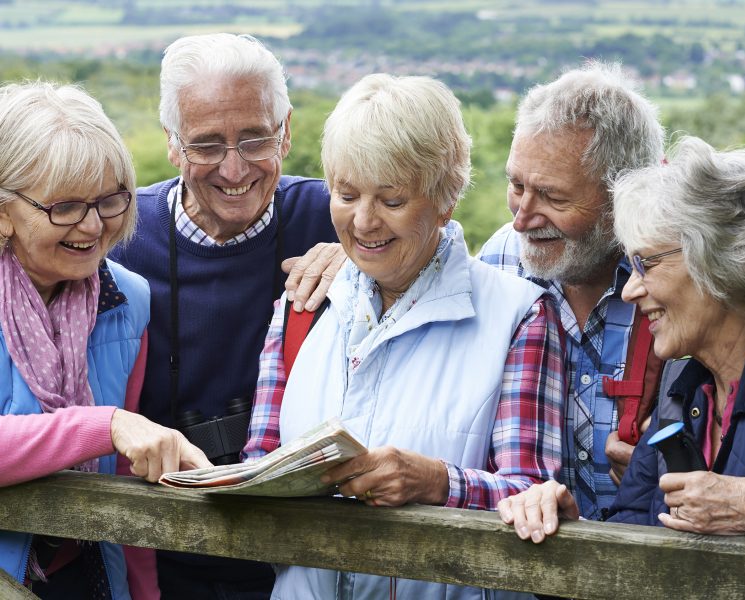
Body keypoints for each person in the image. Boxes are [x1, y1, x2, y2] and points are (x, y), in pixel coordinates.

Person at [243, 73, 566, 599]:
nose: (364, 221)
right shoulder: (301, 308)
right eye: (346, 195)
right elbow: (260, 463)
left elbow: (533, 498)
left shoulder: (519, 317)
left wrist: (438, 482)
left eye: (391, 200)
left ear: (445, 198)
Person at [108, 33, 339, 598]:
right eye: (207, 145)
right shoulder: (119, 235)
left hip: (303, 561)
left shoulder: (337, 217)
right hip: (155, 556)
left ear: (286, 131)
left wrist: (358, 257)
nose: (234, 169)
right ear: (171, 144)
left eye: (255, 138)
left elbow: (438, 245)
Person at [500, 136, 745, 544]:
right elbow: (634, 538)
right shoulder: (685, 393)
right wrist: (567, 529)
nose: (630, 290)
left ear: (722, 259)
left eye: (647, 264)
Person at [0, 82, 211, 599]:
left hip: (85, 572)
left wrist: (141, 594)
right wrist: (105, 424)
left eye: (110, 199)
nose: (93, 225)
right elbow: (112, 433)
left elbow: (124, 477)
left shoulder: (128, 299)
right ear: (4, 211)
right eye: (66, 206)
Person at [480, 61, 665, 534]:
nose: (522, 218)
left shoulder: (678, 279)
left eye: (553, 198)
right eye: (516, 185)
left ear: (624, 196)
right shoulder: (500, 259)